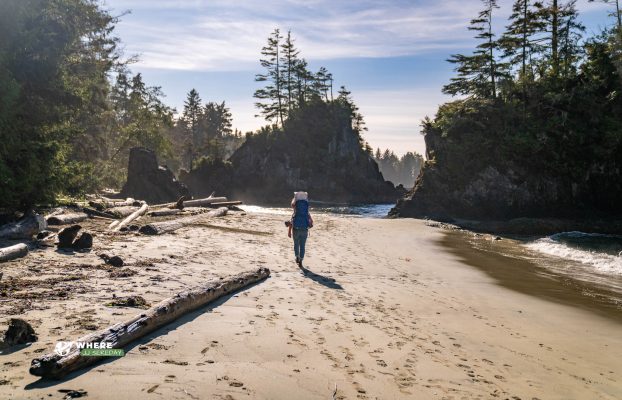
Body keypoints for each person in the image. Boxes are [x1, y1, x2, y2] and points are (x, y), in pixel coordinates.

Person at [288, 191, 313, 266]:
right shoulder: (306, 209)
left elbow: (292, 220)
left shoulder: (295, 208)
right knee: (302, 245)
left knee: (296, 244)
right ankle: (301, 259)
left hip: (296, 228)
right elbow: (311, 221)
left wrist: (289, 231)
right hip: (305, 229)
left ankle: (297, 257)